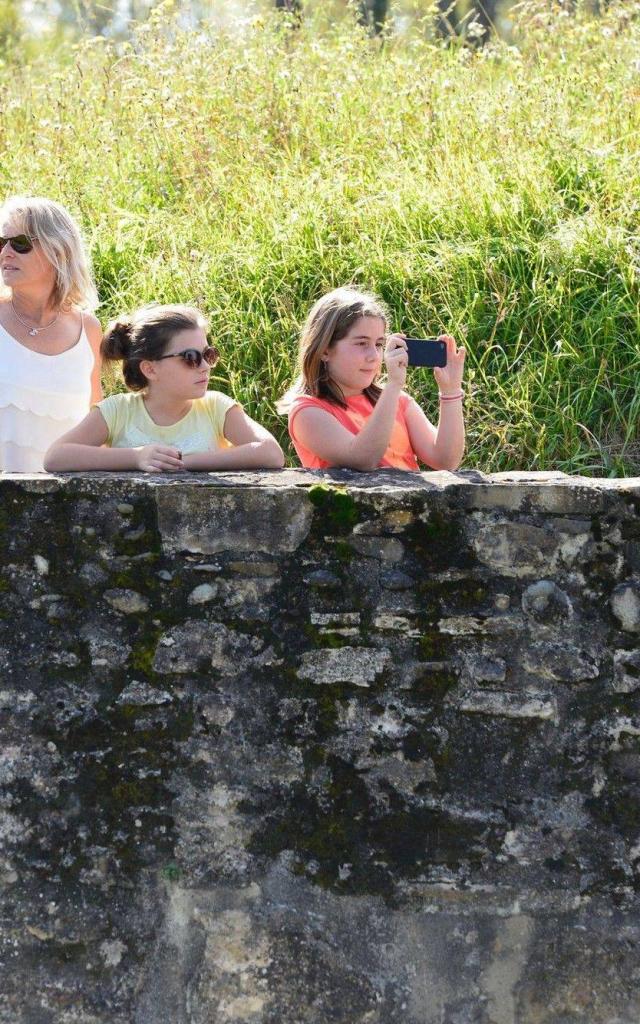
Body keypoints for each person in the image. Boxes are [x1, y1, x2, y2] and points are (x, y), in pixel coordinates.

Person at [44, 303, 284, 472]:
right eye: (190, 357)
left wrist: (185, 461)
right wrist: (137, 457)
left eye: (208, 355)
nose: (204, 367)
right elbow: (56, 456)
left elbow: (271, 453)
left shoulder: (216, 407)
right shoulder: (118, 411)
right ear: (150, 369)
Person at [279, 286, 466, 472]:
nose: (374, 356)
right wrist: (393, 386)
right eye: (362, 343)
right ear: (325, 350)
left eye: (378, 344)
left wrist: (450, 391)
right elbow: (362, 459)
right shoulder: (307, 411)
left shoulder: (397, 400)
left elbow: (445, 461)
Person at [0, 195, 102, 472]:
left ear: (59, 250)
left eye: (19, 244)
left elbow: (98, 429)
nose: (5, 252)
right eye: (1, 242)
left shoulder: (88, 330)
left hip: (65, 507)